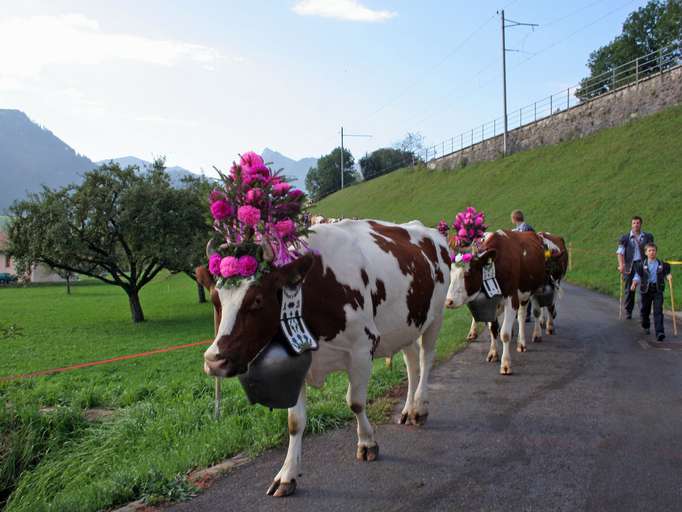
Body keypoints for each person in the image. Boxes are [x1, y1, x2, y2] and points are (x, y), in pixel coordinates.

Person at [631, 243, 670, 341]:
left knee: (658, 311)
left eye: (653, 250)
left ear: (656, 252)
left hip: (657, 290)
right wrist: (634, 283)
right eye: (650, 251)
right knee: (645, 310)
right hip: (646, 290)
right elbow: (637, 276)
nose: (652, 252)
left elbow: (666, 273)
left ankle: (660, 332)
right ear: (646, 253)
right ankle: (646, 325)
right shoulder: (641, 265)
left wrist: (668, 276)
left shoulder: (662, 264)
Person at [617, 216, 654, 319]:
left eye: (637, 223)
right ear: (631, 224)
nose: (636, 225)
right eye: (634, 223)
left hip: (643, 266)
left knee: (643, 290)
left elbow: (651, 251)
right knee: (629, 290)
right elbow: (620, 252)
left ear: (641, 224)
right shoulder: (625, 238)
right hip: (630, 266)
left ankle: (643, 312)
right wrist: (621, 265)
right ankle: (628, 311)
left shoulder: (647, 237)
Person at [511, 210, 534, 322]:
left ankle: (527, 314)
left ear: (514, 219)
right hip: (522, 260)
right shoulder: (519, 229)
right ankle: (519, 312)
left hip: (526, 260)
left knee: (525, 289)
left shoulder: (525, 229)